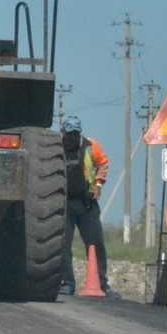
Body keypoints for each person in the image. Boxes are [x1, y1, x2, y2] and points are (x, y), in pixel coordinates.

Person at [59, 115, 121, 299]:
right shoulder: (56, 148)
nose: (72, 137)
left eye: (75, 134)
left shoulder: (90, 146)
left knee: (96, 244)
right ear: (63, 132)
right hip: (64, 204)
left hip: (87, 204)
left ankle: (102, 284)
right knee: (63, 245)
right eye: (69, 134)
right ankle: (67, 283)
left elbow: (103, 163)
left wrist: (98, 185)